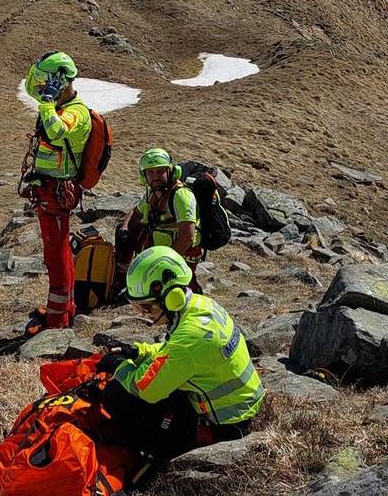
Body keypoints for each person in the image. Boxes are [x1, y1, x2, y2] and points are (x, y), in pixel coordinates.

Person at [97, 246, 264, 461]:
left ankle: (157, 456)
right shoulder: (200, 306)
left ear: (170, 296)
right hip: (240, 405)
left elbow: (145, 388)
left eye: (147, 307)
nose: (146, 314)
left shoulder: (191, 338)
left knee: (116, 395)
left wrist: (119, 365)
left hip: (226, 424)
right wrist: (137, 351)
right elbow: (172, 352)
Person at [19, 51, 91, 335]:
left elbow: (57, 131)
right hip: (47, 187)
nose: (39, 89)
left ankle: (58, 319)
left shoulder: (76, 112)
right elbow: (30, 89)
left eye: (44, 83)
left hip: (58, 191)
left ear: (59, 81)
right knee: (56, 250)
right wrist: (47, 97)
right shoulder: (58, 103)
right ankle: (63, 308)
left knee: (56, 252)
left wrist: (48, 103)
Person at [115, 148, 204, 293]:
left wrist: (165, 263)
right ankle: (121, 277)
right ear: (144, 175)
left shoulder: (181, 196)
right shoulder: (151, 194)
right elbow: (135, 213)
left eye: (159, 172)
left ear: (170, 171)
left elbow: (187, 236)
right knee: (122, 230)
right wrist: (124, 230)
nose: (155, 176)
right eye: (150, 172)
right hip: (158, 252)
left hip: (178, 256)